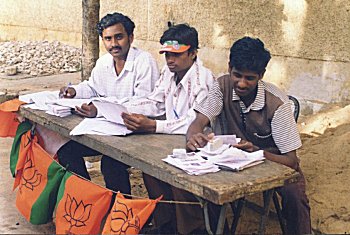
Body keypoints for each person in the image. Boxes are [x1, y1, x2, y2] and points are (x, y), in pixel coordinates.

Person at [186, 36, 311, 234]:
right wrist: (193, 136)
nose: (242, 83)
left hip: (272, 160)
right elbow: (199, 122)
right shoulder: (222, 86)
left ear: (261, 74)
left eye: (250, 78)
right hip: (231, 159)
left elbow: (291, 162)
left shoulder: (277, 104)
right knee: (205, 185)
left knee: (294, 194)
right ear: (229, 68)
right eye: (237, 75)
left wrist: (257, 153)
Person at [121, 24, 215, 234]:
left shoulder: (203, 81)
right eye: (166, 55)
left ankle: (190, 230)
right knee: (150, 170)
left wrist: (153, 125)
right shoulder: (168, 72)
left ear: (192, 53)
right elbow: (155, 102)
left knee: (178, 181)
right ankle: (166, 226)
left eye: (176, 55)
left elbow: (193, 123)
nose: (170, 60)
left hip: (200, 146)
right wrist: (123, 109)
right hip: (171, 141)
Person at [56, 12, 159, 195]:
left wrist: (101, 109)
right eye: (108, 39)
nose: (113, 44)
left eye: (119, 37)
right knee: (66, 152)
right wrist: (75, 92)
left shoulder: (144, 62)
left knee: (111, 164)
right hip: (107, 129)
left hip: (135, 132)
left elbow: (146, 104)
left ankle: (122, 214)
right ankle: (88, 200)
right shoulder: (104, 62)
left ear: (131, 37)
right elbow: (92, 87)